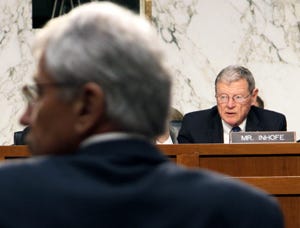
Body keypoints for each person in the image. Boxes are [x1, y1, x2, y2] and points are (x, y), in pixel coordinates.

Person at [0, 3, 283, 227]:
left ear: (88, 103)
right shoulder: (247, 213)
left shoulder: (10, 197)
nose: (25, 116)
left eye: (38, 94)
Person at [178, 65, 287, 143]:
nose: (230, 105)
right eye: (223, 97)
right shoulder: (193, 125)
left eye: (238, 97)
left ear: (253, 96)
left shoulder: (273, 124)